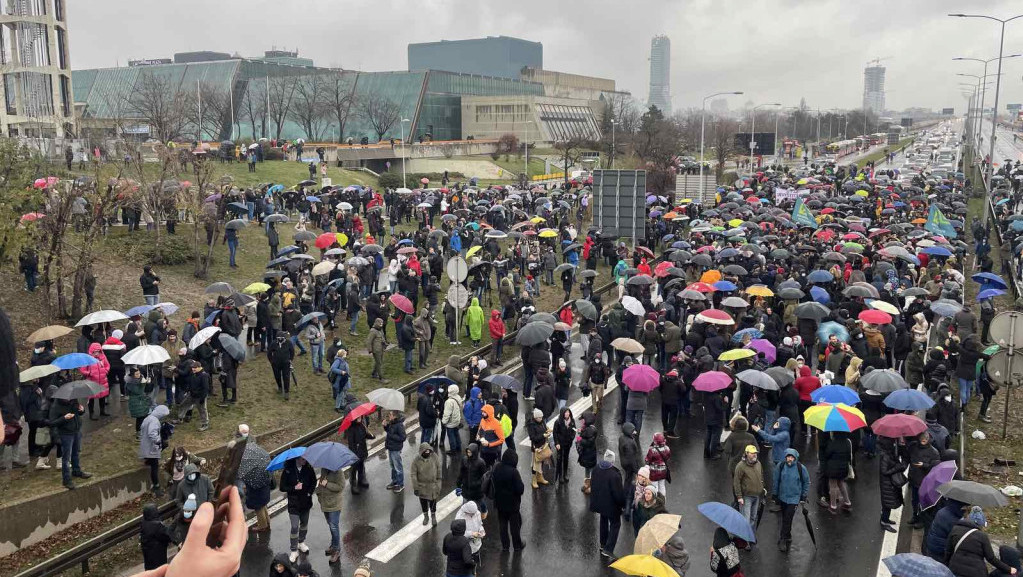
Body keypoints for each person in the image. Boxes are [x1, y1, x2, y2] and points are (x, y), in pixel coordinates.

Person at [945, 506, 1017, 577]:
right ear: (981, 523)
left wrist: (946, 567)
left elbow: (948, 552)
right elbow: (991, 558)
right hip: (976, 572)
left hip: (955, 569)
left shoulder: (955, 529)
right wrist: (1009, 569)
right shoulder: (982, 536)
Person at [47, 395, 89, 490]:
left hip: (76, 431)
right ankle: (66, 479)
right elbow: (52, 422)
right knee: (66, 458)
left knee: (76, 453)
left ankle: (76, 471)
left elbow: (78, 414)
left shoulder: (74, 401)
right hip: (65, 434)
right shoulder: (56, 406)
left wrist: (81, 410)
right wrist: (64, 418)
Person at [590, 449, 626, 559]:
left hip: (599, 503)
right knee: (615, 524)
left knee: (603, 521)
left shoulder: (596, 469)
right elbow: (618, 494)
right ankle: (608, 549)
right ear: (613, 461)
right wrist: (623, 504)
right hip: (611, 506)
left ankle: (603, 544)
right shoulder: (614, 475)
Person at [772, 448, 810, 553]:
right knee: (785, 517)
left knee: (788, 518)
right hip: (783, 497)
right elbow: (776, 480)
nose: (790, 459)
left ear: (795, 458)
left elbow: (806, 482)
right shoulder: (780, 466)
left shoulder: (801, 468)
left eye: (792, 457)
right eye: (788, 457)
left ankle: (783, 539)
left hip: (794, 499)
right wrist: (775, 494)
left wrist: (803, 496)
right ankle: (787, 534)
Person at [281, 456, 316, 563]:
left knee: (304, 524)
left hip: (306, 502)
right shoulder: (288, 470)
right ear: (297, 459)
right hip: (294, 504)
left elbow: (313, 482)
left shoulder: (309, 468)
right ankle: (293, 550)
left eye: (306, 459)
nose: (305, 461)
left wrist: (309, 492)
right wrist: (294, 488)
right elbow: (282, 487)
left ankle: (301, 542)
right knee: (295, 526)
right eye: (303, 460)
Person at [492, 448, 525, 551]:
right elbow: (520, 489)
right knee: (514, 526)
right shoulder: (514, 472)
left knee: (502, 525)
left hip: (500, 503)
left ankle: (505, 546)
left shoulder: (497, 468)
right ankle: (517, 546)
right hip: (512, 504)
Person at [315, 462, 345, 565]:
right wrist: (318, 491)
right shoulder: (324, 468)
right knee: (330, 525)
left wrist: (327, 484)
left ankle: (336, 550)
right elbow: (321, 482)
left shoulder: (339, 472)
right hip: (325, 502)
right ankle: (333, 545)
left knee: (334, 526)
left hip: (334, 504)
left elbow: (341, 486)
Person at [139, 405, 170, 496]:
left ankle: (148, 460)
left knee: (153, 461)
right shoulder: (154, 421)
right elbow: (152, 433)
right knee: (155, 466)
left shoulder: (148, 418)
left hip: (146, 445)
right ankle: (156, 487)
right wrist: (158, 441)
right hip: (151, 447)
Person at [733, 445, 765, 531]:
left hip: (757, 496)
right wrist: (739, 497)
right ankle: (743, 537)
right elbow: (736, 482)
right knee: (745, 519)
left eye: (755, 453)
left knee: (753, 518)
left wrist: (762, 487)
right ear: (746, 453)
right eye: (752, 453)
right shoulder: (740, 466)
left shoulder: (758, 463)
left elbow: (761, 476)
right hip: (746, 497)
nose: (755, 455)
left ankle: (749, 535)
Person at [410, 442, 442, 526]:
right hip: (422, 487)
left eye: (429, 451)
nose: (427, 453)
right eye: (425, 451)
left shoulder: (434, 456)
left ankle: (433, 516)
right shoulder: (416, 460)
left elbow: (439, 468)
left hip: (433, 486)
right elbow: (413, 474)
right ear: (421, 452)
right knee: (423, 502)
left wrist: (439, 483)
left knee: (433, 502)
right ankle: (426, 516)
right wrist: (416, 487)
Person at [878, 437, 906, 533]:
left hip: (889, 482)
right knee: (887, 503)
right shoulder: (885, 456)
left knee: (888, 502)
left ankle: (885, 519)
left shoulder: (888, 454)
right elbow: (884, 471)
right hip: (887, 483)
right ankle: (884, 522)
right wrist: (897, 467)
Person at [822, 432, 853, 514]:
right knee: (841, 483)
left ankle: (833, 506)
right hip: (844, 468)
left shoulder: (833, 443)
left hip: (833, 468)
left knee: (832, 486)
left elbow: (827, 454)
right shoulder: (847, 442)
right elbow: (849, 456)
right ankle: (847, 502)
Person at [140, 502, 173, 570]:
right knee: (159, 569)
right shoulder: (157, 525)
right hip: (158, 552)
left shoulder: (144, 522)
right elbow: (166, 535)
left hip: (147, 551)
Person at [456, 443, 487, 514]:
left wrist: (477, 484)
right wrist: (458, 483)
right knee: (465, 506)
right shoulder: (464, 460)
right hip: (466, 489)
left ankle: (484, 512)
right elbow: (462, 472)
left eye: (470, 452)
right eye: (467, 452)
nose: (468, 454)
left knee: (480, 504)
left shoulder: (481, 463)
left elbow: (484, 476)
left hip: (477, 490)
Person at [345, 415, 372, 494]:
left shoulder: (362, 426)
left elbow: (365, 435)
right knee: (354, 468)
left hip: (362, 450)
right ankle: (353, 483)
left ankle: (361, 479)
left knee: (361, 465)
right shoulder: (351, 429)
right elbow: (351, 444)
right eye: (359, 418)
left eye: (361, 417)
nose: (361, 419)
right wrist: (355, 454)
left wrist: (370, 435)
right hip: (355, 453)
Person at [455, 500, 485, 566]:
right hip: (465, 547)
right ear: (467, 511)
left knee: (475, 565)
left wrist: (481, 531)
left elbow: (480, 524)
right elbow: (458, 534)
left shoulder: (477, 513)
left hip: (476, 545)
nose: (474, 514)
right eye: (472, 513)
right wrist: (471, 534)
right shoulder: (459, 517)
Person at [383, 410, 407, 492]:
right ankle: (395, 481)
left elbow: (403, 437)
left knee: (398, 467)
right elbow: (389, 431)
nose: (389, 416)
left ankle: (400, 484)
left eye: (390, 414)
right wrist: (385, 426)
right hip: (390, 447)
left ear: (395, 416)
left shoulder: (399, 425)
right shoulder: (392, 423)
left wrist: (391, 435)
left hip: (396, 449)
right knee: (393, 466)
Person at [526, 408, 549, 488]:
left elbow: (545, 429)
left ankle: (540, 477)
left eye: (542, 417)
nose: (541, 419)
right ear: (535, 417)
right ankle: (534, 480)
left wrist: (547, 431)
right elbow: (533, 437)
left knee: (541, 462)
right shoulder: (531, 425)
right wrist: (543, 435)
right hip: (536, 447)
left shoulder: (542, 422)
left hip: (542, 446)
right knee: (535, 464)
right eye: (539, 417)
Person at [268, 332, 295, 400]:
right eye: (278, 338)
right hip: (276, 363)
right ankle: (280, 387)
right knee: (277, 376)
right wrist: (271, 361)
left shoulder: (289, 343)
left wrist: (290, 360)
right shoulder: (273, 343)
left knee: (286, 377)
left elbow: (292, 352)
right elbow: (269, 353)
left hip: (286, 363)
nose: (280, 340)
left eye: (281, 338)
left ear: (284, 338)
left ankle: (286, 392)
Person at [552, 407, 576, 483]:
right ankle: (560, 476)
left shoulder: (572, 421)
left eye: (568, 412)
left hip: (567, 444)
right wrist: (557, 443)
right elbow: (555, 433)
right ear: (562, 413)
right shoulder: (558, 422)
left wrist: (571, 438)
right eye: (565, 412)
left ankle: (565, 474)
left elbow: (574, 431)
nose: (567, 414)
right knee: (559, 460)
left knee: (566, 458)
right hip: (560, 444)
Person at [577, 411, 598, 494]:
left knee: (591, 470)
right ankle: (587, 484)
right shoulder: (587, 427)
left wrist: (580, 439)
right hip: (587, 454)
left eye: (583, 419)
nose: (582, 421)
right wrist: (580, 432)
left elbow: (589, 442)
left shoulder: (591, 430)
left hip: (589, 454)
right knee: (587, 469)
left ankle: (592, 486)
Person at [442, 384, 463, 455]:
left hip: (451, 422)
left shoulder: (449, 402)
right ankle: (459, 447)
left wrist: (444, 422)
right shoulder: (458, 397)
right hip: (457, 420)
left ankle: (453, 450)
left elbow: (447, 414)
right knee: (456, 434)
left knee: (451, 437)